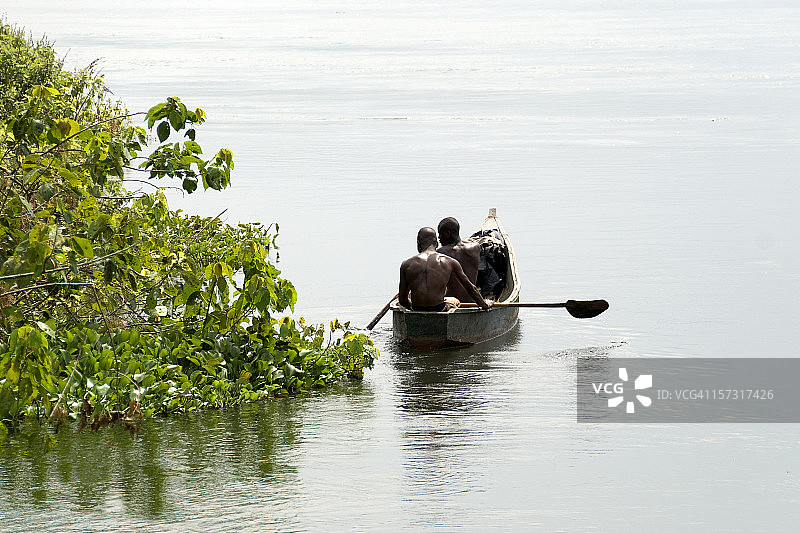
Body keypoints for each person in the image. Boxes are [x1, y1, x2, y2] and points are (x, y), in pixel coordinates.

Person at [399, 227, 491, 312]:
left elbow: (402, 300)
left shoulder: (406, 264)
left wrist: (412, 308)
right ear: (436, 243)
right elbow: (471, 289)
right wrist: (484, 305)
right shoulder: (450, 262)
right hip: (439, 308)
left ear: (418, 243)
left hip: (417, 308)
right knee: (453, 301)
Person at [436, 217, 483, 302]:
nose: (439, 238)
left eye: (441, 234)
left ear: (448, 233)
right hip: (472, 300)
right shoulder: (475, 247)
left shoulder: (441, 252)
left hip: (452, 302)